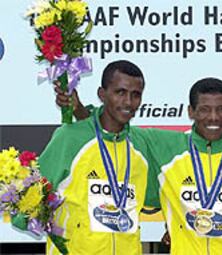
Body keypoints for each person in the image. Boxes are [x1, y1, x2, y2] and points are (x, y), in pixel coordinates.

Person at [56, 77, 222, 255]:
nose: (213, 117)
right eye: (204, 109)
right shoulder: (166, 146)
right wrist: (80, 110)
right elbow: (111, 130)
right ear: (191, 112)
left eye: (221, 109)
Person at [39, 60, 159, 255]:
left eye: (135, 95)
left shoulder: (141, 144)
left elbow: (166, 191)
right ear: (102, 95)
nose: (128, 102)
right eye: (120, 92)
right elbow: (32, 195)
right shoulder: (70, 138)